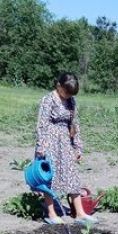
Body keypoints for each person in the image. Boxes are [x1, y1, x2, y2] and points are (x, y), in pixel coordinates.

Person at [34, 72, 97, 225]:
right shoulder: (48, 100)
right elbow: (42, 124)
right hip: (49, 142)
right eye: (66, 92)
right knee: (49, 178)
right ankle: (51, 213)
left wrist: (77, 147)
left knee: (72, 175)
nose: (68, 96)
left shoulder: (71, 102)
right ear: (59, 86)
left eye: (71, 94)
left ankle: (80, 213)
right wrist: (42, 146)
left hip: (65, 142)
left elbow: (75, 125)